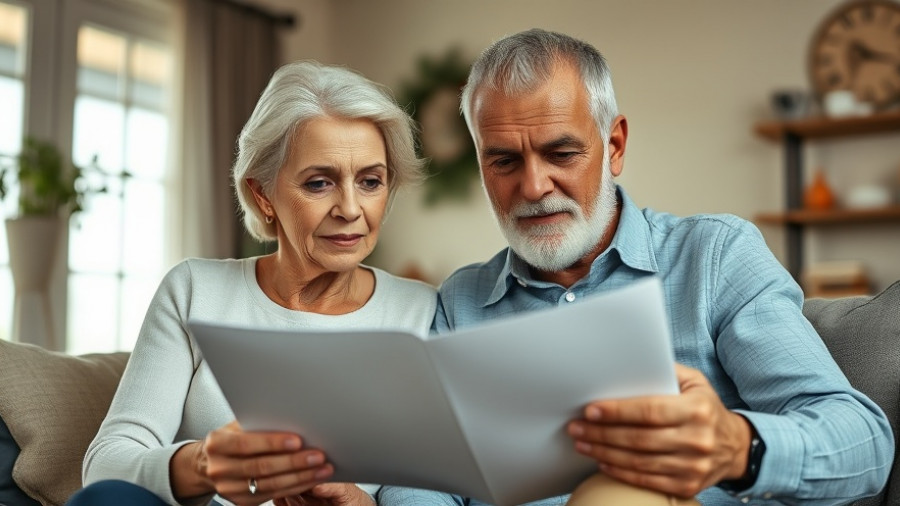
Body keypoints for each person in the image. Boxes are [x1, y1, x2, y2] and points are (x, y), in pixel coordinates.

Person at [378, 29, 894, 505]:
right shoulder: (460, 300)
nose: (533, 187)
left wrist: (736, 447)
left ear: (614, 146)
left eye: (562, 153)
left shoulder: (713, 257)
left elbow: (863, 444)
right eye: (504, 161)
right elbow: (421, 476)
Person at [68, 60, 436, 506]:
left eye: (370, 182)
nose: (351, 208)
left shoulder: (424, 311)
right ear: (263, 195)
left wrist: (359, 502)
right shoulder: (194, 289)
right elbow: (105, 466)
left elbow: (435, 483)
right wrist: (205, 464)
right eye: (319, 183)